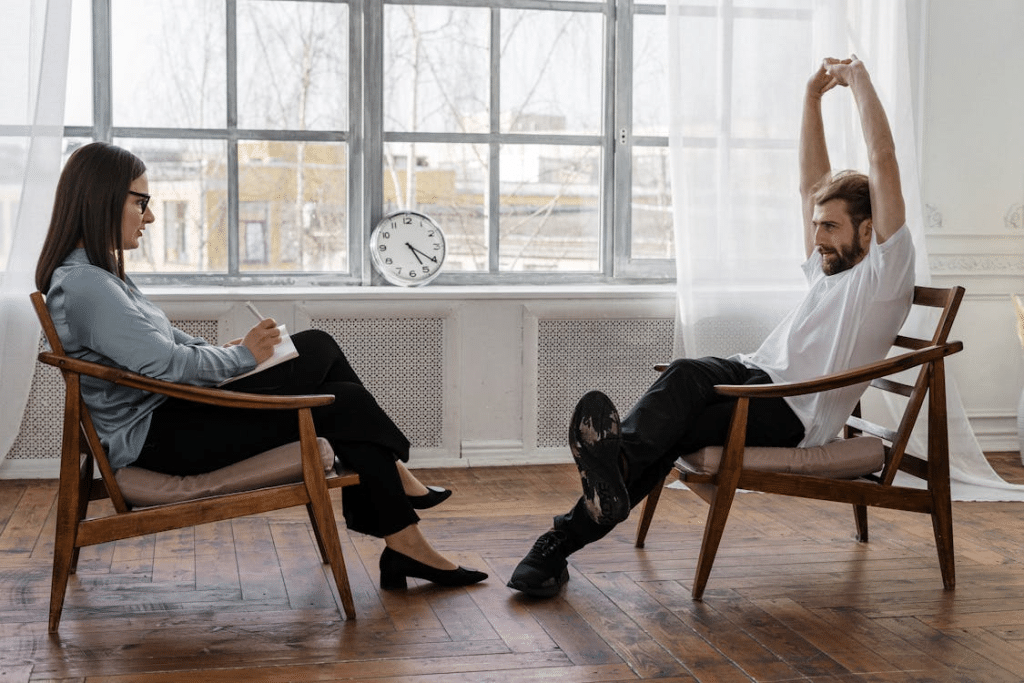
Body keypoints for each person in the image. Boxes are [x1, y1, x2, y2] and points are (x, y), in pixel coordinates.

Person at [507, 55, 916, 597]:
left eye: (830, 226)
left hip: (794, 407)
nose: (816, 235)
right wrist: (810, 98)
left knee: (674, 409)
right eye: (816, 223)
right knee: (679, 386)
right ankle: (588, 503)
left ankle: (567, 531)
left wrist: (859, 80)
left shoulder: (883, 276)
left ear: (868, 231)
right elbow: (809, 184)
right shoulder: (829, 267)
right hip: (757, 375)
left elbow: (883, 159)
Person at [35, 141, 486, 591]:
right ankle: (400, 513)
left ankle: (399, 520)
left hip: (172, 416)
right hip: (161, 438)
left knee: (316, 347)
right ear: (102, 200)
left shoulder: (99, 276)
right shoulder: (87, 287)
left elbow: (168, 345)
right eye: (142, 202)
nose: (150, 217)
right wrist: (242, 357)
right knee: (343, 402)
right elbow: (167, 364)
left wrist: (231, 353)